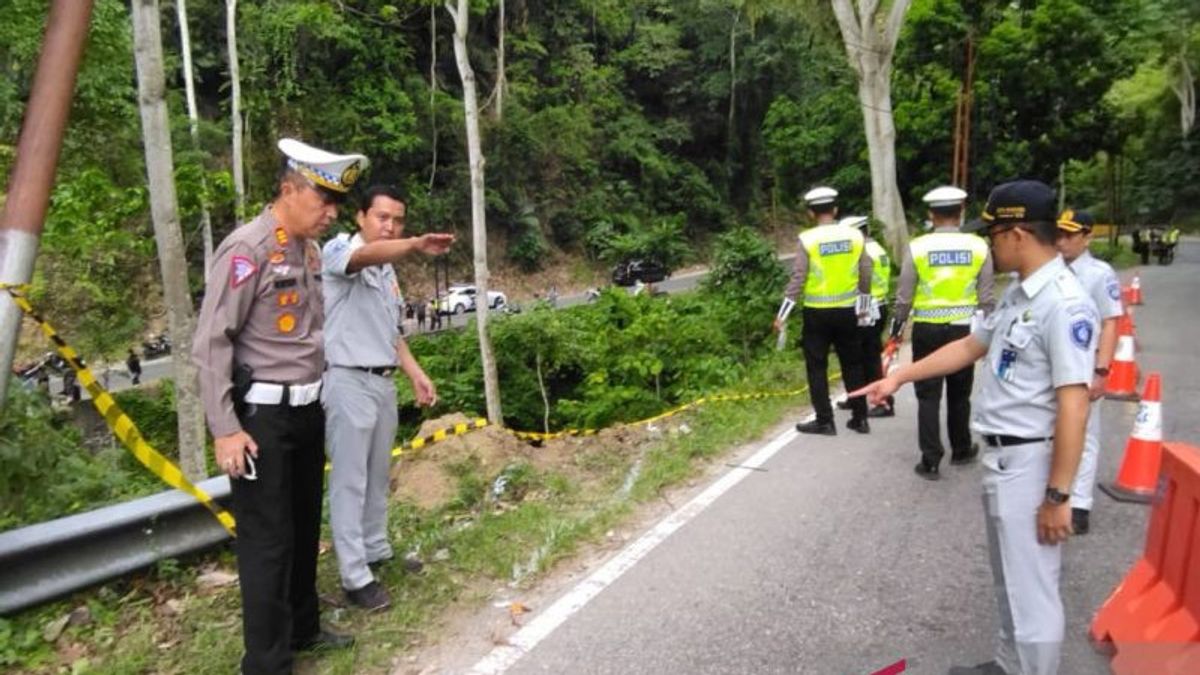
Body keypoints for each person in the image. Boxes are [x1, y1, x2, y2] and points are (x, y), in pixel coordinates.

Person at [855, 180, 1097, 675]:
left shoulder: (1064, 303)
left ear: (1018, 233)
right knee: (1009, 582)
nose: (990, 245)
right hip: (1005, 459)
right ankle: (1009, 665)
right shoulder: (1019, 295)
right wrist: (899, 375)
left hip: (1032, 463)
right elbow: (969, 346)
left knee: (1033, 595)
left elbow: (1074, 405)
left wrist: (1058, 496)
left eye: (993, 234)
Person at [192, 138, 365, 674]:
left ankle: (304, 628)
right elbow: (212, 343)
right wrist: (224, 428)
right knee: (267, 541)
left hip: (306, 410)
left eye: (335, 203)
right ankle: (267, 661)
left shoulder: (308, 251)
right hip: (260, 418)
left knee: (301, 526)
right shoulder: (247, 250)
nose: (331, 213)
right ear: (289, 190)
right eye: (322, 200)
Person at [322, 185, 454, 610]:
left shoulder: (387, 274)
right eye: (382, 217)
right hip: (347, 379)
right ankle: (354, 576)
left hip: (381, 382)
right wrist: (413, 245)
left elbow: (390, 333)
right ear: (360, 217)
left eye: (398, 220)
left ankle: (376, 550)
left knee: (378, 473)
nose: (390, 226)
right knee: (349, 480)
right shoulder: (340, 249)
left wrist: (415, 373)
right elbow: (360, 258)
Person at [891, 186, 994, 480]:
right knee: (960, 394)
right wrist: (990, 334)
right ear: (961, 211)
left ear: (930, 214)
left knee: (927, 395)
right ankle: (961, 449)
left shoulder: (918, 247)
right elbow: (987, 297)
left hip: (927, 328)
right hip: (965, 330)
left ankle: (930, 459)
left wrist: (897, 330)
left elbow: (904, 295)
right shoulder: (979, 247)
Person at [773, 186, 873, 435]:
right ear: (836, 209)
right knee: (853, 364)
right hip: (848, 310)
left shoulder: (808, 239)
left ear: (810, 213)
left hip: (817, 313)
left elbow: (798, 278)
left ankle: (825, 420)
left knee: (817, 367)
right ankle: (860, 417)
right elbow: (866, 272)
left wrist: (782, 314)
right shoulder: (854, 236)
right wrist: (863, 307)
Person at [1055, 209, 1122, 534]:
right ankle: (1054, 492)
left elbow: (1111, 322)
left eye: (1070, 235)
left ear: (1087, 237)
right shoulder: (1050, 268)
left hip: (1085, 362)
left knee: (1086, 433)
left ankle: (1080, 503)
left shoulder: (1099, 273)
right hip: (1055, 363)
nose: (1062, 241)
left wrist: (1102, 369)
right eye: (1059, 234)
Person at [837, 215, 894, 418]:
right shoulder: (878, 248)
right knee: (866, 354)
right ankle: (856, 398)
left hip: (867, 307)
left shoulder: (863, 253)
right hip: (879, 305)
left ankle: (884, 401)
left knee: (867, 357)